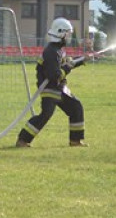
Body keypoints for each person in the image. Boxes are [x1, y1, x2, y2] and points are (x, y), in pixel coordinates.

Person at [16, 17, 93, 148]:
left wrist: (82, 60)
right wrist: (68, 67)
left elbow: (67, 64)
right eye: (68, 34)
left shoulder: (58, 50)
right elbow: (54, 75)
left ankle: (75, 141)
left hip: (59, 88)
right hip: (50, 89)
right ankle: (23, 140)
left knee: (76, 107)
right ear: (61, 34)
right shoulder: (52, 52)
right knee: (45, 115)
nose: (69, 37)